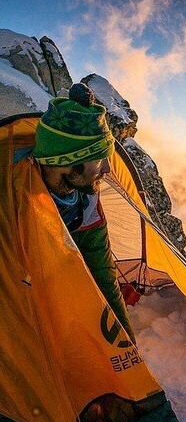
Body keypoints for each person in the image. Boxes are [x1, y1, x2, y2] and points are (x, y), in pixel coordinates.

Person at [31, 82, 135, 341]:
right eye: (100, 160)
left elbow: (103, 274)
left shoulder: (86, 203)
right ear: (68, 162)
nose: (107, 170)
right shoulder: (20, 203)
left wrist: (127, 342)